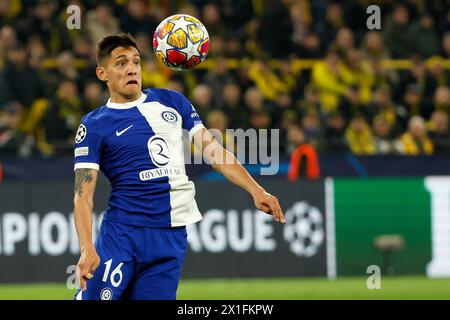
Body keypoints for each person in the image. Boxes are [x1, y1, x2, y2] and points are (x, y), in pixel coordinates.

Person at [73, 33, 285, 300]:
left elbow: (214, 151)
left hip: (170, 237)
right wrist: (86, 247)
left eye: (136, 62)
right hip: (123, 233)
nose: (131, 69)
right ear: (102, 73)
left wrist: (256, 189)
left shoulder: (172, 102)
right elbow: (83, 194)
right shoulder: (94, 124)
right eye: (121, 63)